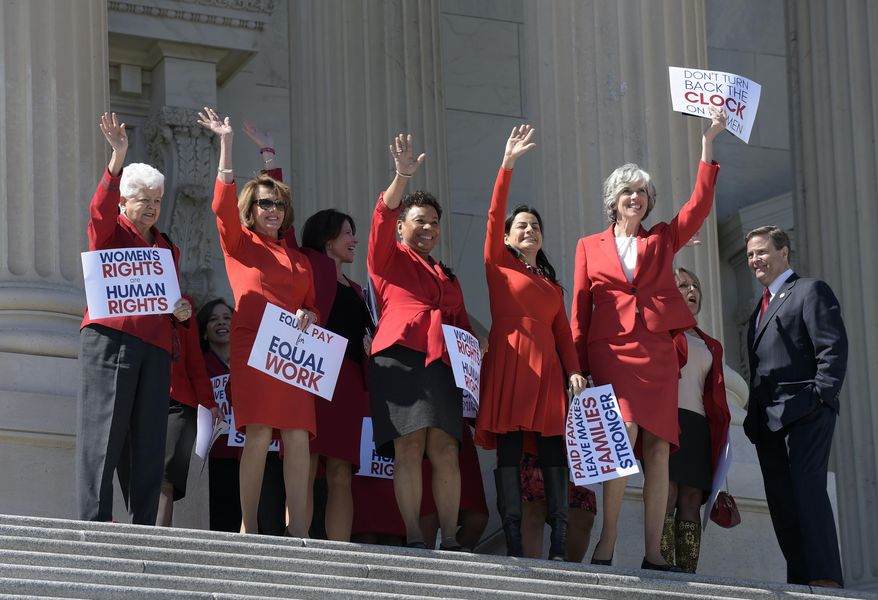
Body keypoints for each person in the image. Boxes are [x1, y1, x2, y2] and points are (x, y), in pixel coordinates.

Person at [571, 107, 726, 571]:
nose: (635, 197)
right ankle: (608, 540)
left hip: (657, 354)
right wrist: (577, 367)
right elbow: (579, 312)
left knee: (659, 448)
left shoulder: (661, 240)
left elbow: (697, 207)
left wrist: (707, 147)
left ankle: (654, 552)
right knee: (623, 436)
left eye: (642, 192)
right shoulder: (588, 245)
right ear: (613, 200)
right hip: (611, 352)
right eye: (627, 192)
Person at [197, 107, 319, 536]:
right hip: (254, 347)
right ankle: (249, 527)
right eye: (265, 203)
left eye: (280, 205)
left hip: (293, 352)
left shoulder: (298, 257)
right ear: (251, 209)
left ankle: (299, 532)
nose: (273, 209)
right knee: (260, 432)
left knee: (299, 435)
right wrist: (226, 143)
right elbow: (222, 201)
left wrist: (309, 314)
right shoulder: (239, 242)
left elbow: (312, 305)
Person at [474, 125, 586, 560]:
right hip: (509, 364)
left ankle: (558, 543)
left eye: (535, 226)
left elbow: (563, 333)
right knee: (508, 451)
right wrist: (508, 165)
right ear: (506, 237)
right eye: (520, 226)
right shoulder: (498, 266)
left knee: (554, 450)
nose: (529, 230)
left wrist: (574, 370)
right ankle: (516, 542)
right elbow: (492, 213)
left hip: (549, 373)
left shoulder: (552, 285)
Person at [77, 112, 192, 524]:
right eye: (145, 200)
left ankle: (143, 524)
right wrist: (118, 156)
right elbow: (99, 208)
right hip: (111, 339)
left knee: (148, 439)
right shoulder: (109, 232)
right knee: (104, 433)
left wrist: (180, 310)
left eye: (158, 201)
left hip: (156, 347)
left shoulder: (166, 246)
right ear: (126, 201)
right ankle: (95, 520)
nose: (153, 208)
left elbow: (171, 299)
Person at [367, 133, 473, 550]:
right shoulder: (388, 257)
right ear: (401, 227)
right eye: (419, 220)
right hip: (399, 357)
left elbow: (462, 325)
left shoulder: (447, 274)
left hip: (443, 362)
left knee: (446, 448)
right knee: (409, 445)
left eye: (434, 222)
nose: (428, 228)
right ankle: (413, 535)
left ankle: (450, 537)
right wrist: (401, 176)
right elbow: (382, 212)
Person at [743, 226, 848, 588]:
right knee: (783, 506)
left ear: (784, 252)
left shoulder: (809, 291)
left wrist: (821, 396)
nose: (755, 259)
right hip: (768, 424)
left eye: (762, 251)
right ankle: (802, 581)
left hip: (806, 411)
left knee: (808, 491)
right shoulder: (757, 309)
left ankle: (825, 580)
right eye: (751, 254)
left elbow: (832, 350)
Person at [300, 209, 374, 541]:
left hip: (348, 383)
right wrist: (272, 162)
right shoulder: (309, 267)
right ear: (328, 241)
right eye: (348, 233)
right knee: (306, 464)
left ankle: (339, 551)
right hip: (314, 376)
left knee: (342, 470)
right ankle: (297, 542)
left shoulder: (359, 290)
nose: (354, 239)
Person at [659, 267, 731, 572]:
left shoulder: (710, 343)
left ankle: (687, 571)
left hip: (699, 427)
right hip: (666, 421)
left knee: (691, 497)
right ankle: (659, 563)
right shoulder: (659, 332)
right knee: (668, 492)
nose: (692, 291)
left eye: (696, 286)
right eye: (683, 285)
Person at [157, 295, 219, 526]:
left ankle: (155, 547)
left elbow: (194, 360)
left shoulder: (183, 303)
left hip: (180, 403)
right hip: (142, 398)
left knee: (165, 477)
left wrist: (209, 402)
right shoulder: (132, 300)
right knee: (146, 478)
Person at [197, 298, 242, 533]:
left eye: (227, 318)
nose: (221, 323)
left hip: (246, 455)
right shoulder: (201, 365)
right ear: (204, 332)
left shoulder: (249, 363)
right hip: (214, 456)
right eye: (213, 320)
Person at [520, 451, 597, 562]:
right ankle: (527, 574)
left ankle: (567, 575)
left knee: (581, 513)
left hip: (580, 444)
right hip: (535, 440)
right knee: (533, 506)